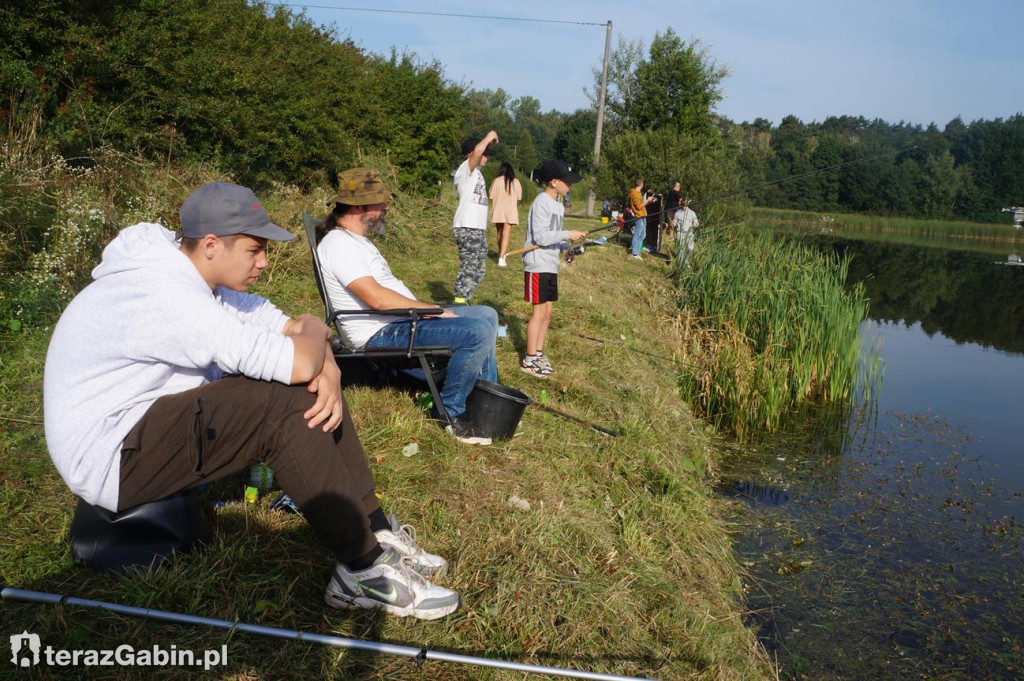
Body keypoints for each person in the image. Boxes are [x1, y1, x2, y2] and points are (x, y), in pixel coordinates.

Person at [43, 182, 459, 620]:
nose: (263, 262)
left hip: (143, 425)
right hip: (111, 460)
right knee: (282, 403)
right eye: (254, 250)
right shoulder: (165, 295)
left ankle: (375, 529)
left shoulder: (197, 277)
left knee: (307, 382)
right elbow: (299, 356)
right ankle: (361, 572)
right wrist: (319, 350)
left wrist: (327, 364)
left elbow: (288, 324)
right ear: (209, 245)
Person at [317, 168, 499, 445]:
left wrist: (427, 310)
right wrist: (431, 310)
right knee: (476, 332)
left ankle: (487, 399)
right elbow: (376, 299)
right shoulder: (338, 245)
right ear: (359, 207)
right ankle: (449, 414)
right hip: (380, 333)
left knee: (487, 314)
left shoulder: (357, 241)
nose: (386, 206)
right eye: (380, 202)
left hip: (399, 321)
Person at [520, 160, 587, 378]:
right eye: (567, 182)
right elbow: (540, 237)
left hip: (550, 263)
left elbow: (554, 235)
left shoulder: (558, 205)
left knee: (547, 312)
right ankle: (529, 361)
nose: (571, 185)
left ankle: (538, 354)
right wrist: (567, 234)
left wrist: (566, 248)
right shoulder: (542, 202)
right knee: (538, 313)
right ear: (554, 181)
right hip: (537, 263)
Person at [452, 130, 499, 303]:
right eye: (484, 153)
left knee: (480, 269)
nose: (487, 156)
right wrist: (488, 136)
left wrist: (489, 143)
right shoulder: (465, 169)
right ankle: (459, 302)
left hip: (478, 228)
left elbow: (480, 151)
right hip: (467, 226)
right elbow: (478, 151)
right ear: (471, 154)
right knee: (469, 266)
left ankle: (465, 299)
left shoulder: (477, 173)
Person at [489, 162, 522, 268]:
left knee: (499, 233)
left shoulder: (496, 181)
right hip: (510, 211)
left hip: (498, 210)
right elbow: (519, 197)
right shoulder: (515, 182)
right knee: (506, 233)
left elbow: (491, 195)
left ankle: (500, 253)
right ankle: (502, 258)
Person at [627, 177, 655, 259]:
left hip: (643, 216)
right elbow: (639, 206)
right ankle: (634, 254)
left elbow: (641, 202)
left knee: (643, 235)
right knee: (637, 234)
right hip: (639, 216)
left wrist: (647, 197)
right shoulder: (634, 193)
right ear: (641, 184)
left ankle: (637, 251)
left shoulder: (638, 193)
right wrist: (648, 200)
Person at [675, 197, 699, 263]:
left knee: (690, 248)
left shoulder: (692, 213)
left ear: (687, 205)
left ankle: (686, 261)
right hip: (680, 233)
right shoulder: (677, 213)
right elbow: (674, 224)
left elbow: (697, 224)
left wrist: (694, 224)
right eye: (682, 205)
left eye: (685, 205)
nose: (683, 207)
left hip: (689, 233)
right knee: (681, 249)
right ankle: (679, 262)